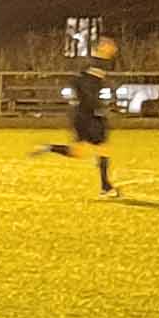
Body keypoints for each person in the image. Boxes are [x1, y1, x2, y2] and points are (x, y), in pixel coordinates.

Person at [38, 34, 121, 198]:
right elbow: (85, 87)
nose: (112, 48)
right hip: (88, 115)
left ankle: (50, 147)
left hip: (81, 115)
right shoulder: (94, 65)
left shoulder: (95, 66)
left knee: (78, 152)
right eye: (108, 45)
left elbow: (79, 84)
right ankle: (106, 187)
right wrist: (98, 107)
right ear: (100, 47)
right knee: (102, 149)